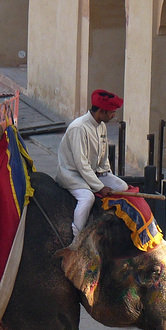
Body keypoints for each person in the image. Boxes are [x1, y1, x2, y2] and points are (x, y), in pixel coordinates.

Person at [56, 89, 129, 238]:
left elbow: (103, 157)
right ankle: (76, 239)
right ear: (101, 111)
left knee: (122, 187)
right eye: (112, 112)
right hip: (72, 174)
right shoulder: (79, 128)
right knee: (87, 198)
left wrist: (107, 175)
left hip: (93, 173)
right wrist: (100, 187)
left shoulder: (101, 125)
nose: (114, 115)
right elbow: (81, 164)